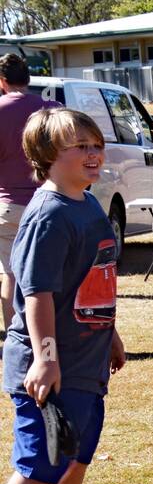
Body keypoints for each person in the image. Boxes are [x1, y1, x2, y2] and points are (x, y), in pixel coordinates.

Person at [0, 108, 126, 484]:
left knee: (76, 456)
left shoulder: (88, 204)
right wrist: (46, 358)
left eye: (97, 145)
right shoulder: (48, 214)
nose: (94, 155)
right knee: (38, 462)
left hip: (87, 363)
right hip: (50, 366)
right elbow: (36, 295)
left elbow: (90, 281)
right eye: (83, 147)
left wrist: (109, 333)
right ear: (49, 155)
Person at [0, 52, 58, 335]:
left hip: (8, 205)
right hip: (49, 204)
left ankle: (17, 335)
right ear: (28, 78)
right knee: (49, 275)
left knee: (11, 273)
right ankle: (51, 335)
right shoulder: (52, 109)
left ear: (2, 82)